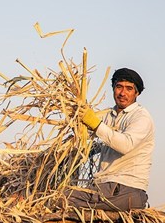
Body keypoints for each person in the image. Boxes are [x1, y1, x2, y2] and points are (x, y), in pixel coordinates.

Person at [65, 68, 155, 211]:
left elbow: (125, 145)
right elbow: (91, 136)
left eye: (129, 88)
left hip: (124, 188)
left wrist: (94, 124)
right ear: (113, 89)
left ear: (136, 93)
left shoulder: (141, 117)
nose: (122, 93)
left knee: (61, 199)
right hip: (107, 188)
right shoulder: (108, 115)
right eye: (119, 87)